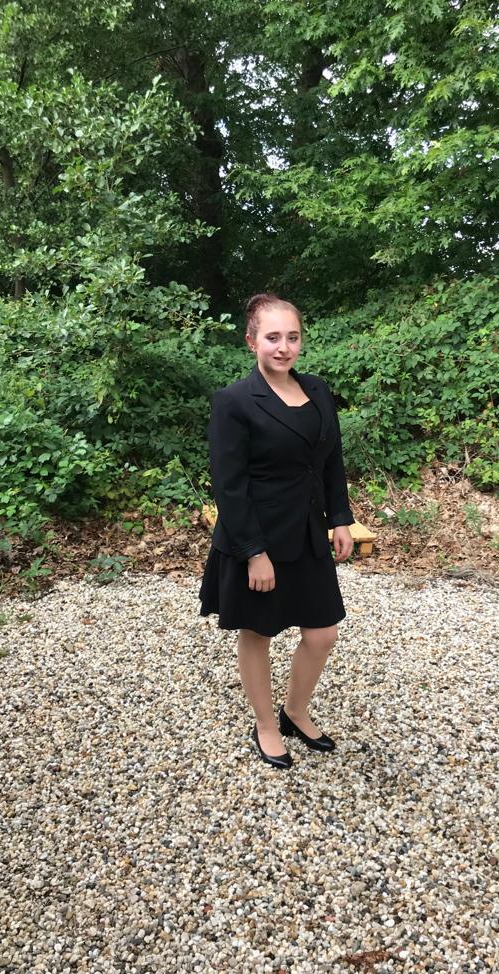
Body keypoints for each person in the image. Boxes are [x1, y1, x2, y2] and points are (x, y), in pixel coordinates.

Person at [198, 292, 355, 769]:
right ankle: (266, 724)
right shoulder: (234, 402)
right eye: (272, 337)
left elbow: (330, 461)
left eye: (292, 337)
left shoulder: (318, 390)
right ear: (252, 342)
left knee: (322, 634)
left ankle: (295, 711)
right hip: (259, 537)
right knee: (258, 632)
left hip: (308, 533)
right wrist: (253, 552)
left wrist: (340, 518)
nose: (284, 347)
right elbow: (229, 485)